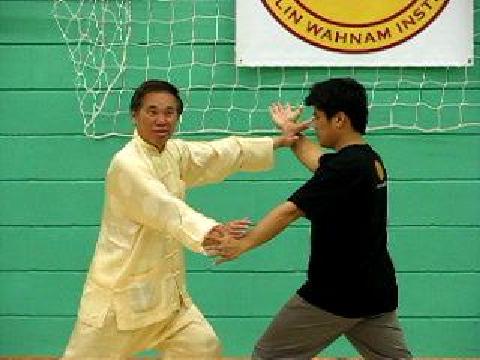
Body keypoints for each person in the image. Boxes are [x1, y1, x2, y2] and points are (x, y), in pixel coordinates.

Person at [62, 79, 306, 359]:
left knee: (202, 347)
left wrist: (279, 141)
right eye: (152, 112)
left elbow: (218, 153)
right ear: (135, 115)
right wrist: (212, 231)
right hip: (119, 299)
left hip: (167, 299)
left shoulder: (173, 153)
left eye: (169, 113)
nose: (161, 120)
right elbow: (165, 208)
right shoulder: (127, 163)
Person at [206, 78, 412, 359]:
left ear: (339, 119)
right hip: (375, 293)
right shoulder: (365, 159)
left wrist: (244, 244)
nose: (313, 125)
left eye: (317, 118)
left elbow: (288, 211)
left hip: (334, 295)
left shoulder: (346, 169)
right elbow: (318, 160)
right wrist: (291, 133)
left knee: (268, 356)